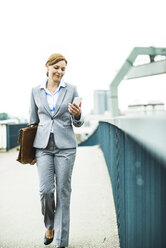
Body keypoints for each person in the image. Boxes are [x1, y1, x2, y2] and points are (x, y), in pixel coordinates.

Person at [29, 53, 84, 248]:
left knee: (63, 192)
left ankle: (61, 242)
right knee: (45, 191)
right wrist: (28, 152)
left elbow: (78, 122)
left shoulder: (71, 90)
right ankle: (50, 225)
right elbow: (32, 122)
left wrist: (78, 115)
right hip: (42, 148)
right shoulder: (35, 91)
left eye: (63, 69)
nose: (60, 72)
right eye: (57, 68)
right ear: (47, 66)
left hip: (66, 148)